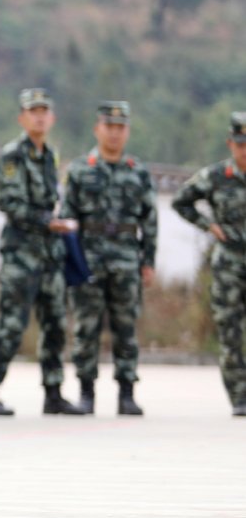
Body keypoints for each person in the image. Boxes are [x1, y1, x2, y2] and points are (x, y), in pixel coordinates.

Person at [0, 88, 84, 417]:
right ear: (21, 117)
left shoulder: (50, 155)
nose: (38, 117)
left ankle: (53, 393)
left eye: (44, 111)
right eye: (32, 111)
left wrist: (59, 226)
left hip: (50, 255)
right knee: (11, 323)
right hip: (21, 253)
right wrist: (48, 222)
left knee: (55, 324)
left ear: (51, 118)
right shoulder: (13, 155)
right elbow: (8, 203)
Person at [63, 101, 157, 416]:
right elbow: (67, 219)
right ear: (97, 129)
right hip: (89, 259)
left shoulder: (138, 171)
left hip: (127, 260)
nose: (115, 134)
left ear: (127, 132)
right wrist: (71, 262)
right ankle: (86, 393)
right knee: (85, 328)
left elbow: (150, 219)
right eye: (109, 127)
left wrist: (148, 260)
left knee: (126, 328)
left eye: (120, 128)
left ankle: (127, 393)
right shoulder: (80, 169)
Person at [172, 112, 246, 416]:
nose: (245, 150)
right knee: (230, 331)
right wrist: (207, 225)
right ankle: (240, 397)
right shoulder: (215, 176)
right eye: (240, 143)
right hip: (229, 262)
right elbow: (181, 201)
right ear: (230, 143)